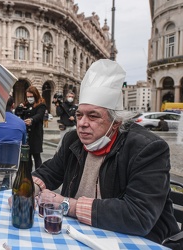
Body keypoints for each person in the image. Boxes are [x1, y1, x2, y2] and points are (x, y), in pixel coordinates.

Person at [30, 59, 182, 249]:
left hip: (138, 241)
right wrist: (30, 189)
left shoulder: (147, 148)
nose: (82, 123)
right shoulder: (73, 140)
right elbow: (50, 171)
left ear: (115, 122)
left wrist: (69, 205)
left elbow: (139, 215)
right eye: (79, 115)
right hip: (82, 235)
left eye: (93, 116)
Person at [15, 86, 46, 170]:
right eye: (28, 96)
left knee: (36, 155)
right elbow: (17, 113)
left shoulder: (41, 104)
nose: (29, 98)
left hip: (35, 134)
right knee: (27, 156)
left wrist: (32, 120)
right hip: (26, 133)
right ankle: (27, 175)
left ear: (35, 95)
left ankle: (38, 175)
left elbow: (39, 115)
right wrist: (19, 108)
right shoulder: (25, 104)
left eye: (31, 96)